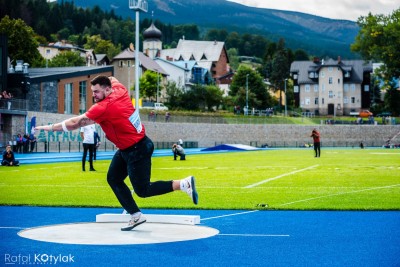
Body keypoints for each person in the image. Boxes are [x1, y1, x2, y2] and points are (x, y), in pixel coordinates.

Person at [34, 75, 198, 231]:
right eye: (92, 92)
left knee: (143, 190)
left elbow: (75, 123)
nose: (94, 95)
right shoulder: (118, 89)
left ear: (107, 90)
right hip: (129, 147)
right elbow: (112, 79)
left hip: (137, 149)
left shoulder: (103, 107)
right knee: (113, 178)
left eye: (96, 92)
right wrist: (102, 80)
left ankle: (183, 184)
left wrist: (49, 127)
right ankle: (136, 215)